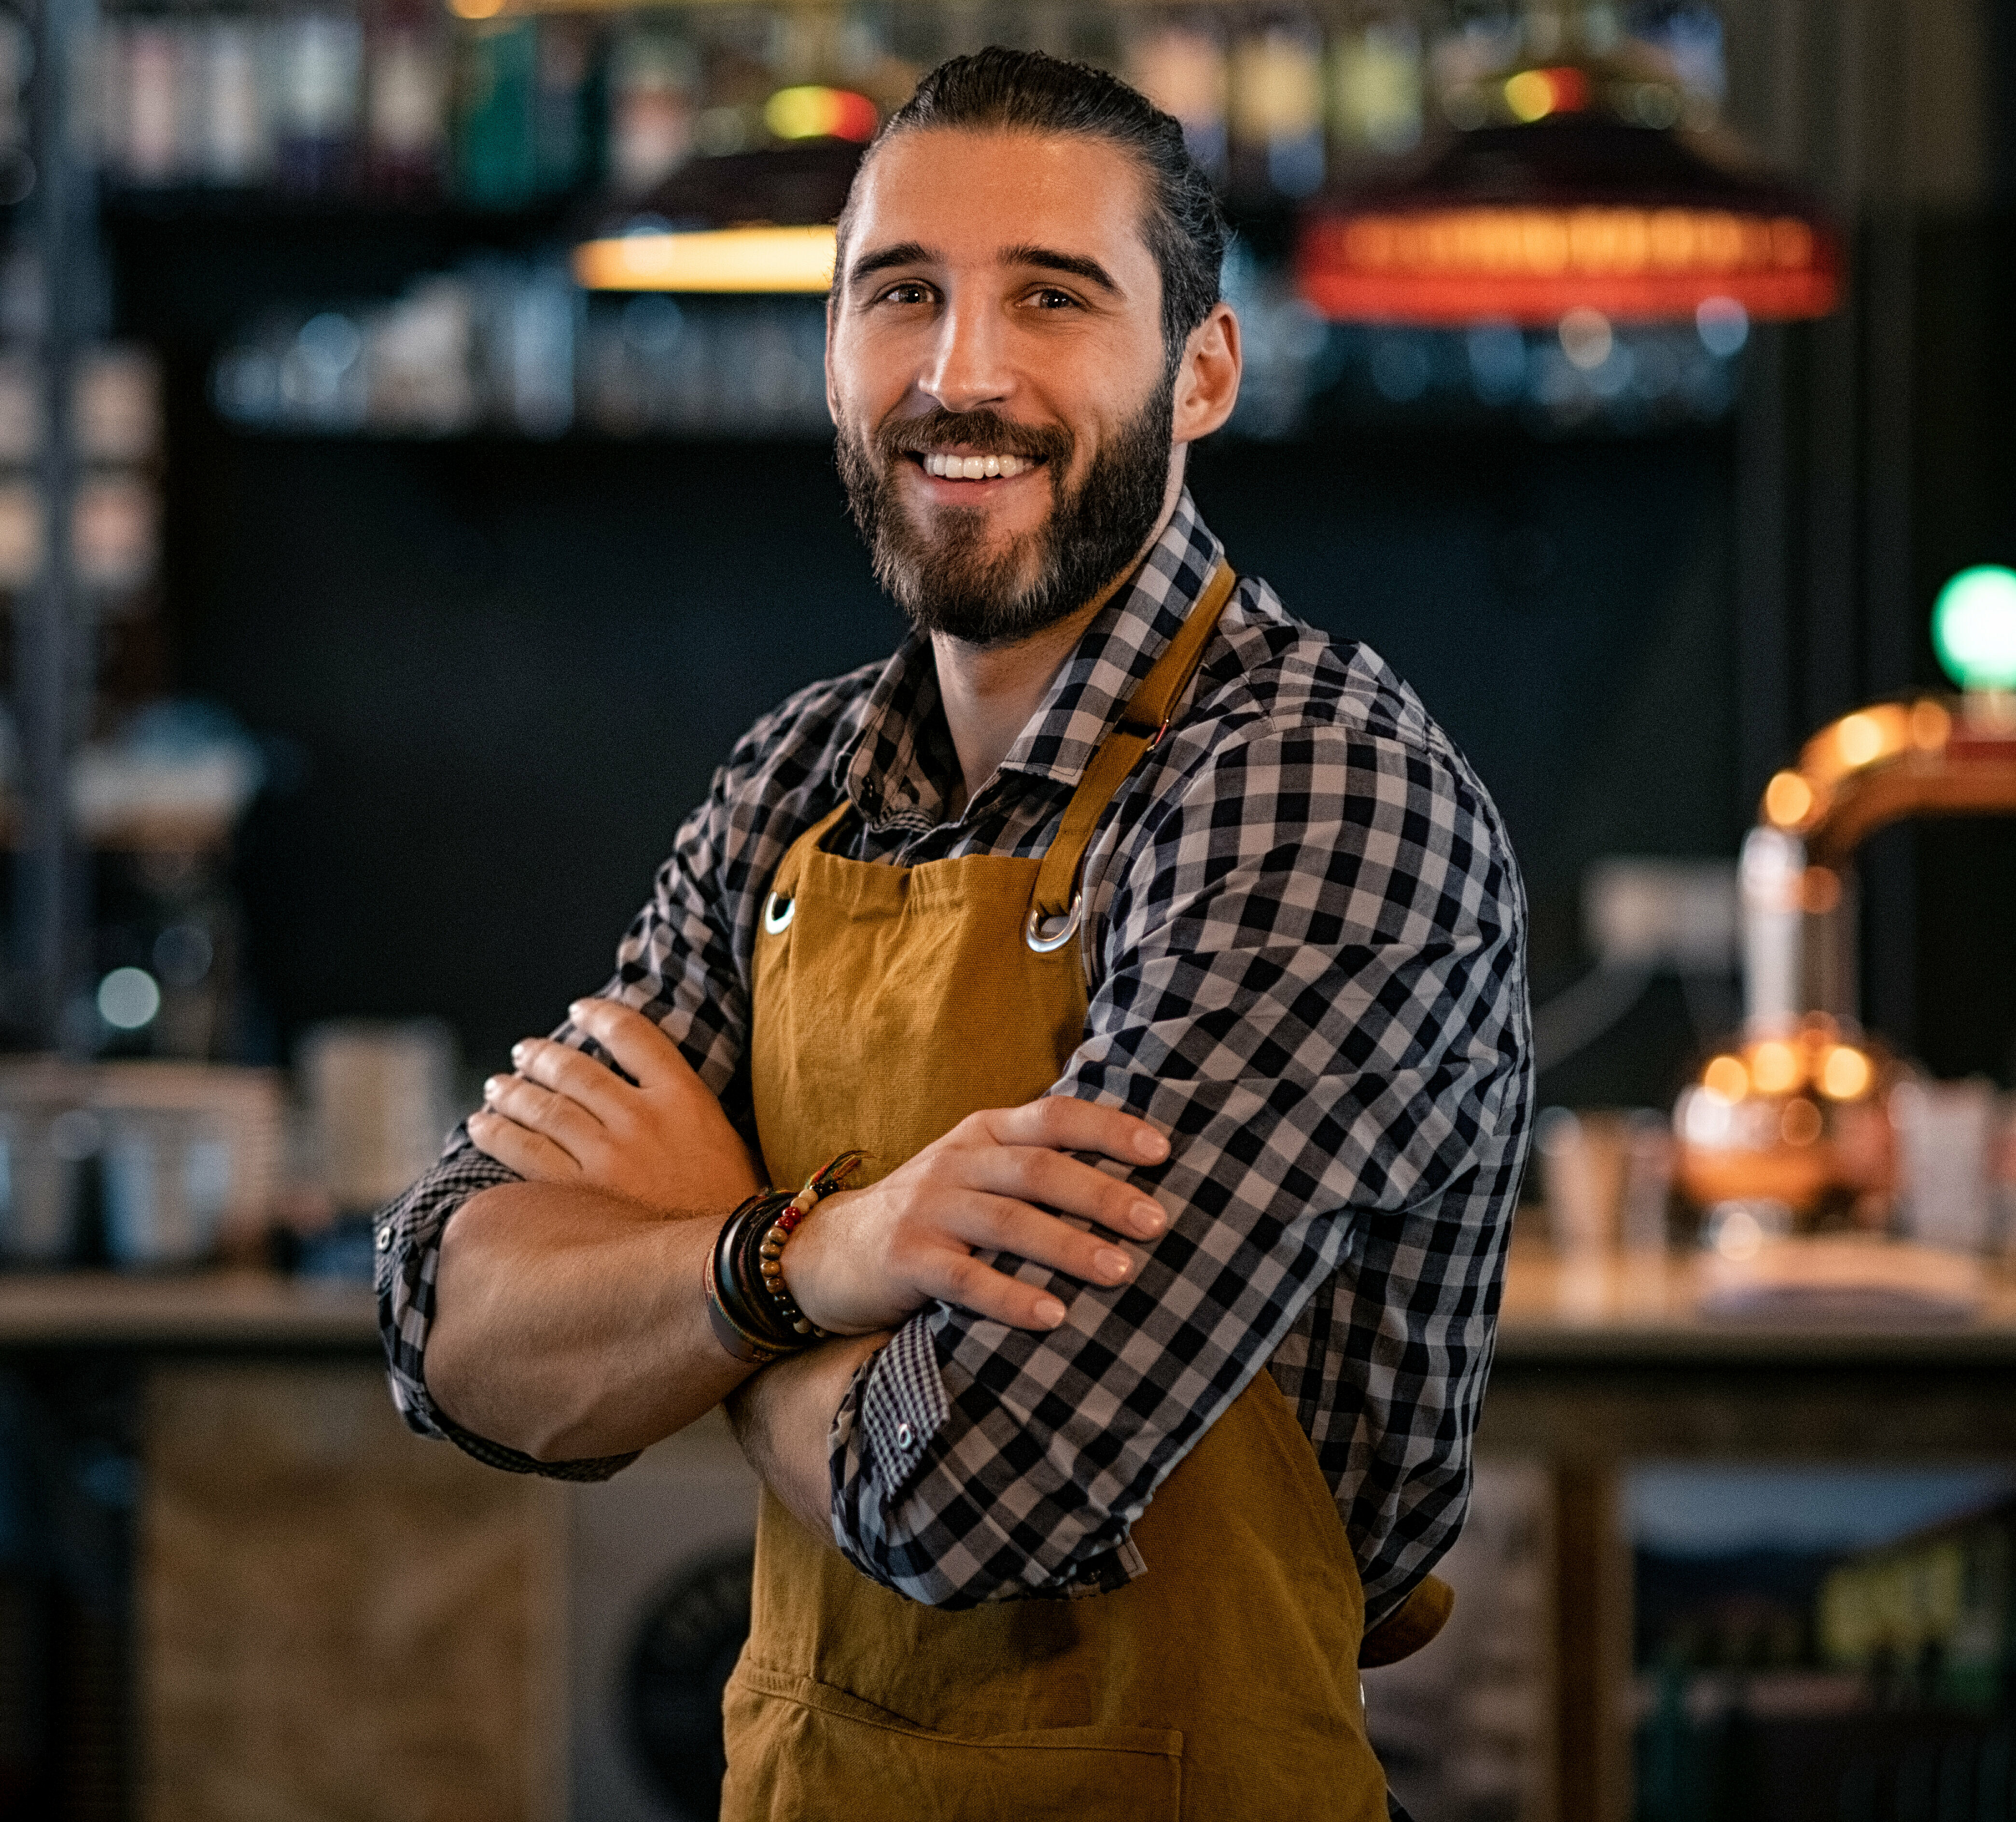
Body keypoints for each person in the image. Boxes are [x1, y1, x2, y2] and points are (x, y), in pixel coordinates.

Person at [374, 46, 1529, 1820]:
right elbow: (447, 1323)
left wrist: (689, 1272)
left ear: (1202, 368)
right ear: (832, 353)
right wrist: (809, 1260)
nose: (959, 373)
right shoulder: (795, 780)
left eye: (1052, 299)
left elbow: (980, 1489)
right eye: (899, 295)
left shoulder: (1314, 791)